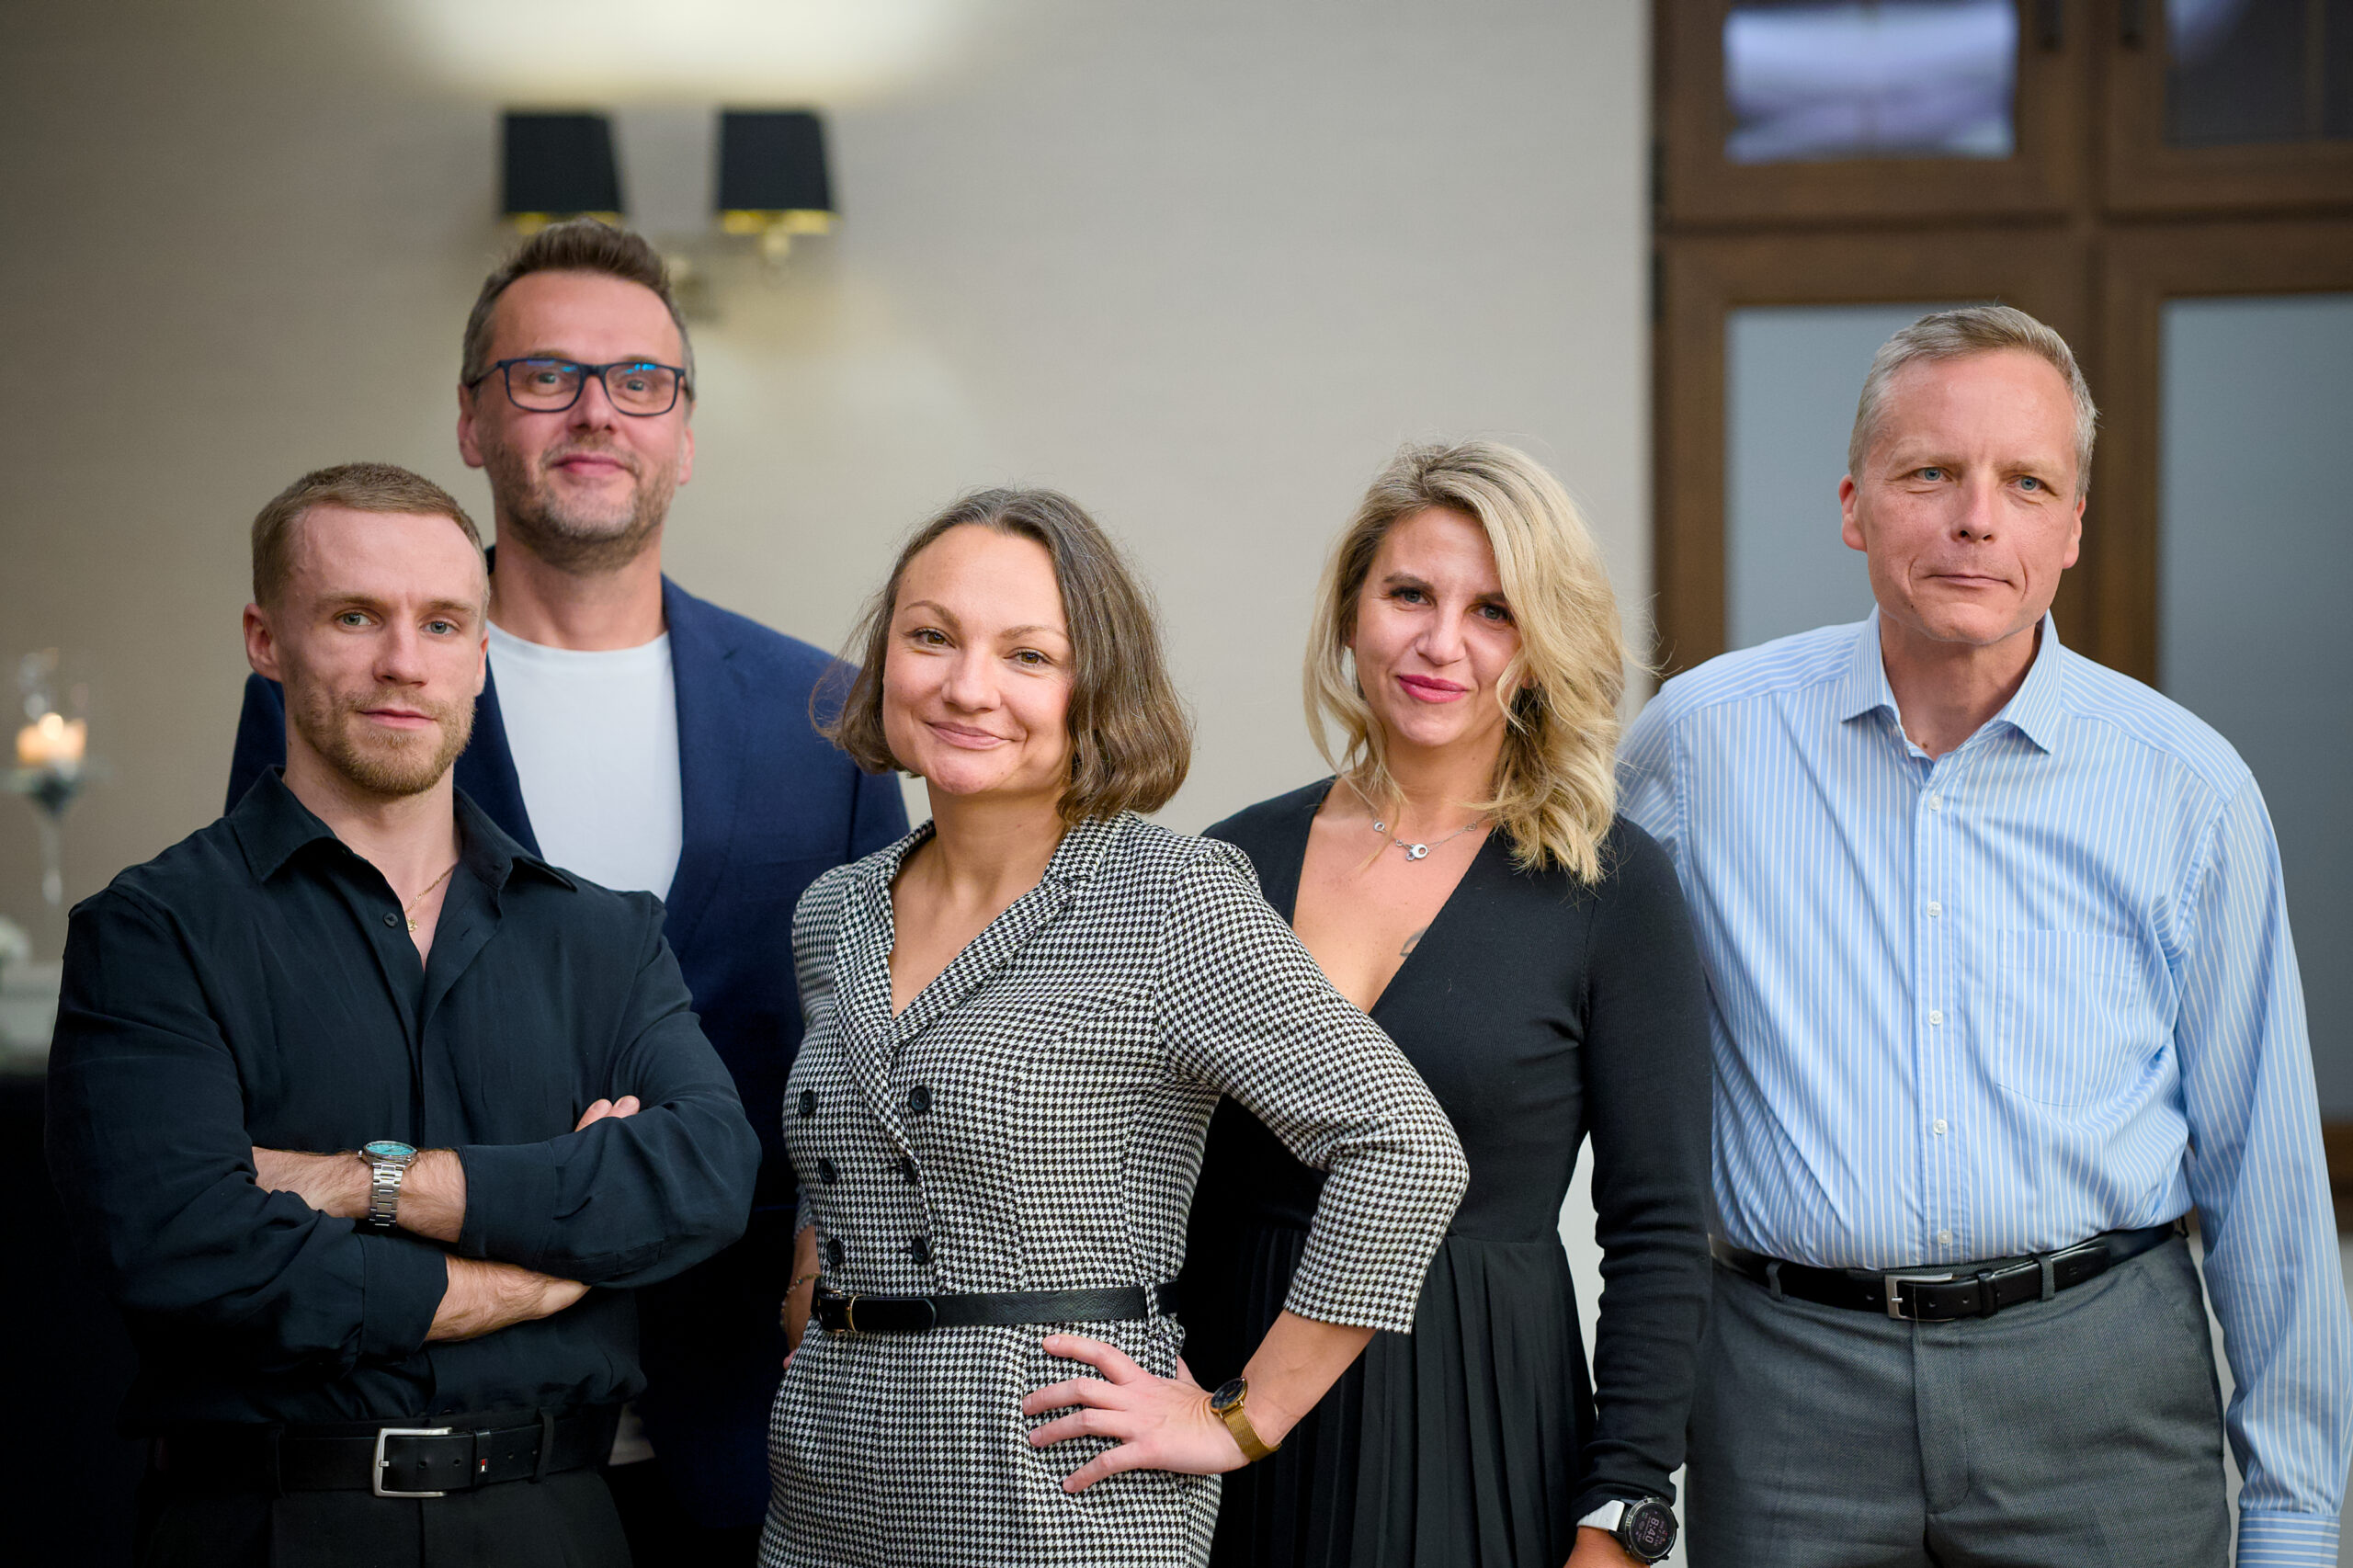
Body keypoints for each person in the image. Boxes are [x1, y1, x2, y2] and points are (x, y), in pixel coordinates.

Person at [1620, 305, 2353, 1565]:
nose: (1976, 517)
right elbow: (1586, 1058)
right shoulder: (1696, 747)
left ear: (2072, 527)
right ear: (1853, 505)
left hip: (2101, 1392)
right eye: (1929, 473)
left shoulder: (2188, 789)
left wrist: (2291, 1520)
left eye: (2026, 482)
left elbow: (2266, 1178)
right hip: (1787, 1394)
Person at [224, 221, 907, 1558]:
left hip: (746, 1414)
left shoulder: (823, 714)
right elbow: (276, 997)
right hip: (433, 1409)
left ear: (685, 432)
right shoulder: (353, 686)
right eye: (546, 375)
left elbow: (868, 1040)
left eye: (640, 379)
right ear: (472, 419)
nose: (597, 411)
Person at [47, 462, 761, 1568]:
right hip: (267, 1527)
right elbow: (186, 1247)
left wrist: (361, 1183)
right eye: (354, 616)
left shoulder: (604, 937)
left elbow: (704, 1174)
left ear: (480, 652)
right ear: (266, 639)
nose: (404, 662)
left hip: (557, 1529)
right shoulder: (153, 932)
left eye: (440, 623)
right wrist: (519, 1277)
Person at [760, 488, 1469, 1568]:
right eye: (931, 636)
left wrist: (1244, 1415)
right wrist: (815, 1289)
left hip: (1055, 1488)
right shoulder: (835, 911)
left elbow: (1405, 1149)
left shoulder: (1172, 895)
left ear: (1095, 684)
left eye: (1027, 655)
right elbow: (859, 1142)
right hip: (827, 1481)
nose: (967, 685)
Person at [1178, 440, 1713, 1568]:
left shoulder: (1610, 886)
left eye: (1493, 611)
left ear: (1540, 643)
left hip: (1480, 1417)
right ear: (1350, 611)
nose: (1440, 643)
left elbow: (1660, 1227)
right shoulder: (1228, 863)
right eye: (1409, 594)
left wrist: (1621, 1518)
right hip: (1226, 1422)